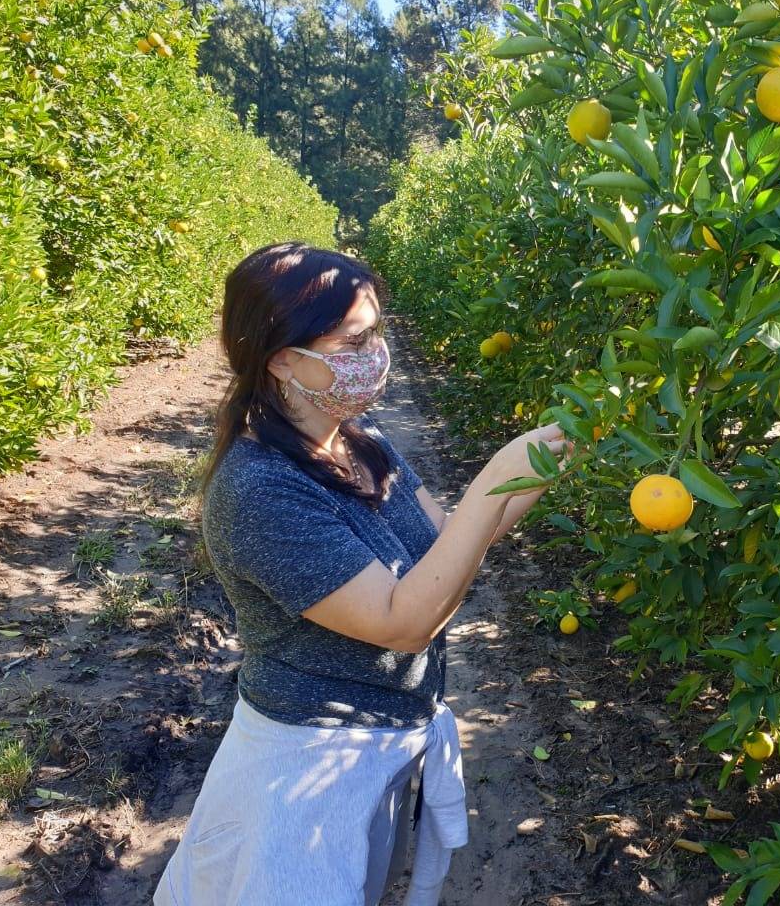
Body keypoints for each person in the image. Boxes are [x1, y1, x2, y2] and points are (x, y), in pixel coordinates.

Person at [153, 242, 569, 906]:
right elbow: (401, 623)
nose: (376, 352)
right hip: (304, 774)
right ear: (284, 360)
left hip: (377, 749)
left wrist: (553, 461)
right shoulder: (259, 489)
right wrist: (494, 475)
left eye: (375, 331)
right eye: (355, 341)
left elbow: (449, 542)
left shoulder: (361, 441)